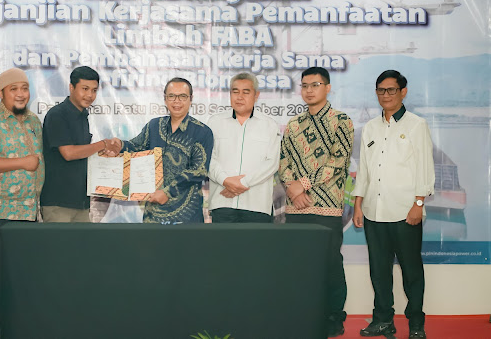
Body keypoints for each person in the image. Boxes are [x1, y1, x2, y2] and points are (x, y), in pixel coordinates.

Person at [352, 70, 434, 339]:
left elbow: (425, 167)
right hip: (373, 212)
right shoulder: (370, 128)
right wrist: (358, 204)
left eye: (391, 90)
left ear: (403, 92)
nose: (385, 95)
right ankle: (383, 320)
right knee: (379, 272)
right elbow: (364, 170)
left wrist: (418, 203)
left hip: (405, 212)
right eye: (381, 90)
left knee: (411, 271)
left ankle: (416, 324)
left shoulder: (416, 125)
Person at [278, 66, 354, 337]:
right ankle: (302, 313)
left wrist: (304, 184)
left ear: (328, 88)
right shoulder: (294, 125)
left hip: (327, 208)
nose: (309, 90)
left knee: (330, 264)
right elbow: (283, 161)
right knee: (298, 265)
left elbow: (338, 161)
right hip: (296, 208)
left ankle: (334, 316)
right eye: (305, 85)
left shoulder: (341, 121)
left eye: (315, 85)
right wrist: (294, 190)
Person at [0, 68, 45, 339]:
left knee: (22, 274)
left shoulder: (34, 121)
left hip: (27, 210)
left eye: (24, 88)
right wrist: (22, 163)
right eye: (13, 89)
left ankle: (19, 325)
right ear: (1, 93)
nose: (21, 94)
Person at [121, 77, 213, 224]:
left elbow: (199, 171)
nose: (177, 101)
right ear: (165, 99)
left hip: (186, 217)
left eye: (182, 96)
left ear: (191, 99)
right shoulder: (154, 126)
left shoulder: (202, 132)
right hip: (153, 216)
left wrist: (167, 192)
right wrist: (117, 146)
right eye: (172, 96)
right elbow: (134, 148)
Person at [40, 66, 121, 222]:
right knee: (60, 240)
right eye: (85, 89)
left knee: (83, 239)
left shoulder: (83, 116)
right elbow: (69, 153)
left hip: (81, 202)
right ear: (72, 87)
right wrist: (103, 144)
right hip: (58, 203)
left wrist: (106, 153)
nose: (90, 95)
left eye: (94, 90)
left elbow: (82, 152)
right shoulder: (57, 115)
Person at [208, 72, 280, 223]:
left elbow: (272, 163)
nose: (239, 97)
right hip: (222, 203)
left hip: (257, 206)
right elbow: (208, 158)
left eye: (246, 92)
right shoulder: (214, 123)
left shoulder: (269, 125)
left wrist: (242, 183)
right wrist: (225, 180)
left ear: (256, 95)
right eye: (235, 92)